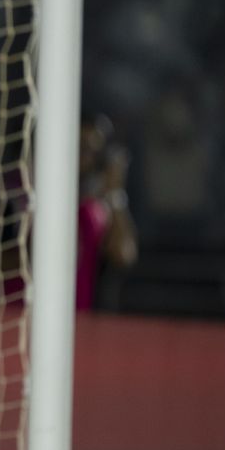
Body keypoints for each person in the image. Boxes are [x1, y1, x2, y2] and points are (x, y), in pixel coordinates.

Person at [77, 113, 138, 308]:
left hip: (91, 316)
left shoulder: (102, 207)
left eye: (94, 153)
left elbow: (124, 255)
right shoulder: (41, 197)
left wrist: (115, 193)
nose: (85, 160)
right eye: (81, 149)